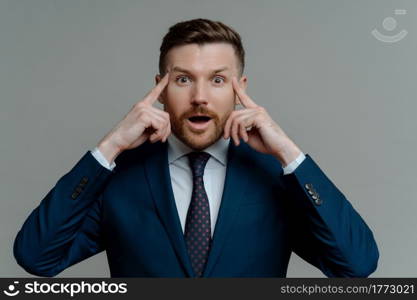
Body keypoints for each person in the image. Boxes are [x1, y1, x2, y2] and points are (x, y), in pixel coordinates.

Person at [14, 18, 379, 278]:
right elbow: (36, 258)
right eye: (183, 79)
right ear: (159, 88)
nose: (200, 97)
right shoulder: (120, 177)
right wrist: (108, 148)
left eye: (218, 80)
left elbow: (356, 266)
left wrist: (289, 153)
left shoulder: (277, 178)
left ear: (240, 89)